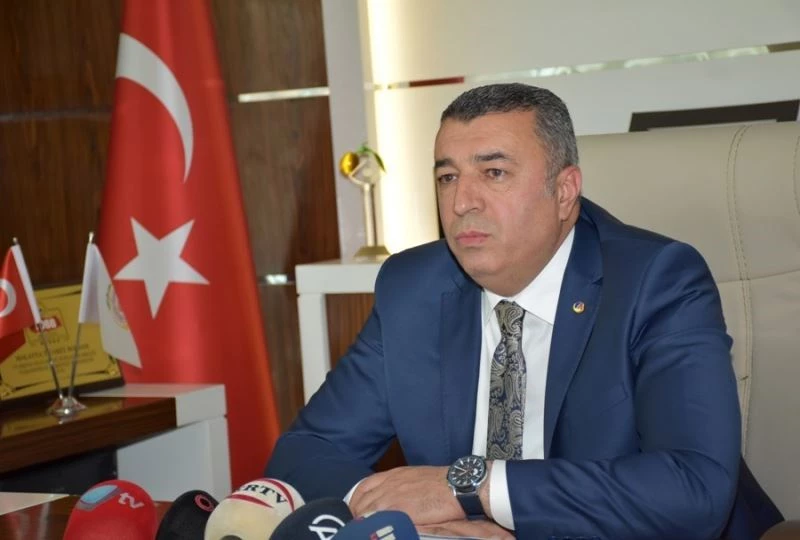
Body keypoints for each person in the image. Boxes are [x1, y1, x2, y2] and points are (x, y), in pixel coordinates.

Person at [266, 83, 777, 539]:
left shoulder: (656, 281)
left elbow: (693, 489)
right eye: (447, 177)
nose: (462, 201)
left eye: (494, 173)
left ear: (564, 191)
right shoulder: (414, 287)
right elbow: (305, 450)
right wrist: (395, 505)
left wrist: (470, 489)